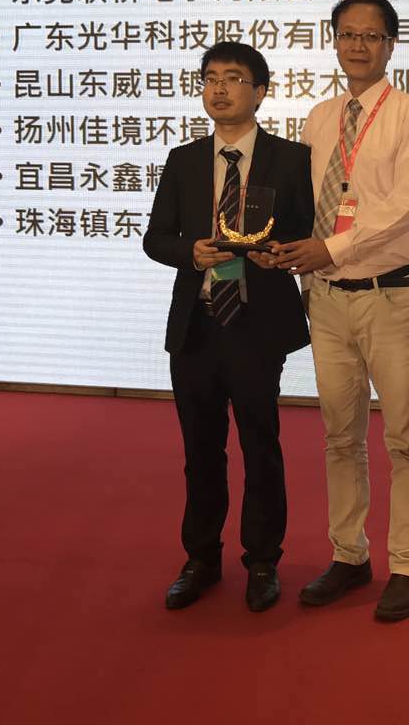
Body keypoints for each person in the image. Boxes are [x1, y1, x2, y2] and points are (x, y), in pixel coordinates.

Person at [275, 0, 409, 622]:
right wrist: (286, 251)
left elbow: (402, 207)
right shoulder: (319, 118)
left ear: (391, 44)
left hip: (390, 296)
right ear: (335, 42)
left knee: (404, 437)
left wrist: (332, 247)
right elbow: (304, 200)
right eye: (348, 34)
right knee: (340, 437)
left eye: (371, 36)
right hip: (326, 299)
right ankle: (349, 555)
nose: (358, 46)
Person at [143, 41, 313, 613]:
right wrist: (189, 252)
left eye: (234, 78)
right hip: (197, 324)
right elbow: (155, 238)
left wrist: (279, 254)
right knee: (200, 448)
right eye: (210, 78)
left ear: (260, 91)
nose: (219, 88)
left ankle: (262, 561)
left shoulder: (292, 159)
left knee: (260, 444)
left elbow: (305, 232)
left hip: (256, 323)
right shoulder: (184, 160)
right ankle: (201, 558)